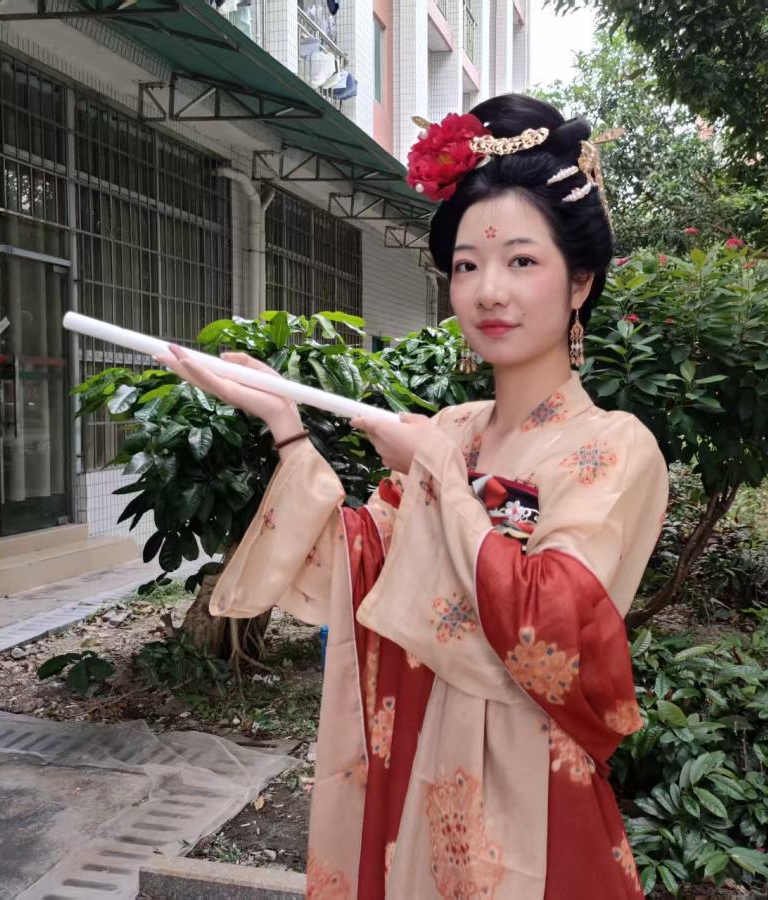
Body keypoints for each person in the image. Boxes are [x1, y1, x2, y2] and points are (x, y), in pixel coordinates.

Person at [157, 94, 668, 899]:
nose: (488, 291)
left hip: (526, 775)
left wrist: (432, 468)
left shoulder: (613, 447)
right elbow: (359, 573)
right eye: (466, 266)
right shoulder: (454, 429)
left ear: (580, 282)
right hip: (416, 746)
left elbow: (552, 629)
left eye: (521, 262)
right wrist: (285, 425)